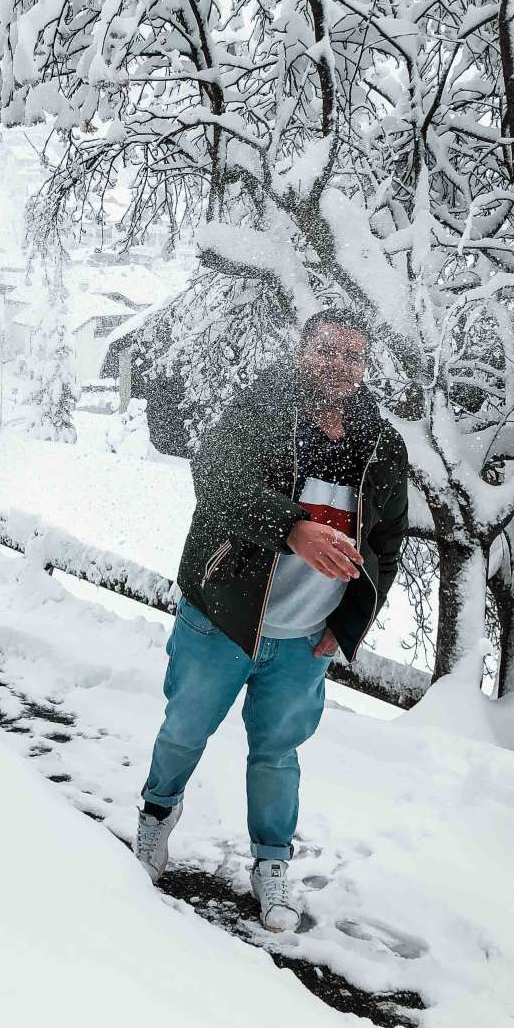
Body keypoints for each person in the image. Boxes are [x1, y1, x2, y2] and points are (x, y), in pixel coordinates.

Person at [133, 310, 408, 932]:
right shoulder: (261, 410)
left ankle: (271, 864)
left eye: (353, 356)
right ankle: (156, 817)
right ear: (303, 349)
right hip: (222, 618)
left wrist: (352, 623)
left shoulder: (381, 446)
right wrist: (292, 528)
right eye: (327, 350)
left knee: (278, 755)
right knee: (184, 729)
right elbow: (216, 480)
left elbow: (387, 541)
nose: (339, 364)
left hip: (304, 640)